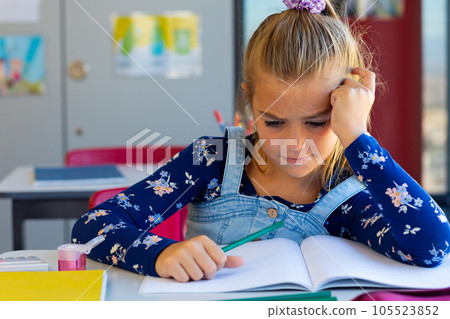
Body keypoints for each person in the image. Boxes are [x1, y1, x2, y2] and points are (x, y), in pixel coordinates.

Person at [72, 0, 450, 282]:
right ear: (250, 102)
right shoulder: (213, 160)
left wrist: (356, 136)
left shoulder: (348, 194)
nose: (295, 142)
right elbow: (94, 226)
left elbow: (432, 246)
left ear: (344, 109)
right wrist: (161, 253)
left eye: (319, 123)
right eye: (274, 122)